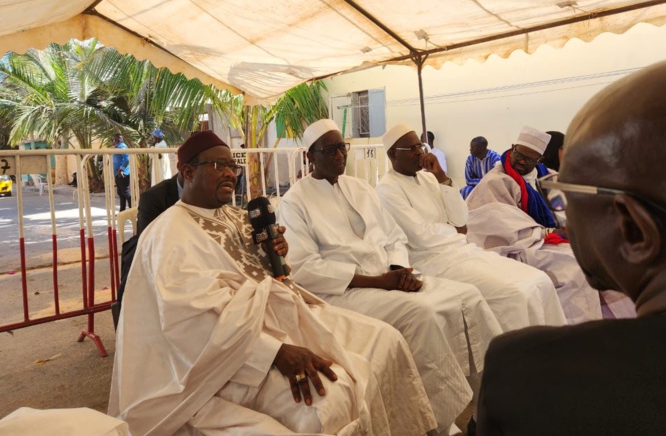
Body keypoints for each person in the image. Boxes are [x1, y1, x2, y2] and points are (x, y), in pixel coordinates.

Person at [109, 131, 435, 435]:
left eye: (231, 166)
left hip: (281, 314)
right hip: (227, 356)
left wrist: (276, 255)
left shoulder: (239, 216)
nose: (229, 173)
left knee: (386, 340)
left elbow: (270, 277)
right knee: (327, 401)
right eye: (217, 165)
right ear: (188, 172)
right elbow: (188, 321)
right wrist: (275, 351)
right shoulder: (168, 233)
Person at [476, 57, 666, 435]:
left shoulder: (525, 373)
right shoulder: (495, 181)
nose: (564, 210)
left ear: (634, 231)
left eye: (567, 196)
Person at [279, 119, 501, 435]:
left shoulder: (359, 187)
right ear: (309, 157)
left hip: (388, 278)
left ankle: (488, 406)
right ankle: (439, 423)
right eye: (330, 150)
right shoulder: (294, 202)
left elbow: (394, 237)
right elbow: (305, 269)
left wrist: (398, 269)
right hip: (344, 292)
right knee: (421, 315)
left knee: (468, 297)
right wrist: (378, 281)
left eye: (342, 147)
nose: (340, 155)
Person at [378, 123, 566, 334]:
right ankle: (518, 360)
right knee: (515, 293)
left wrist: (442, 179)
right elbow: (421, 236)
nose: (420, 153)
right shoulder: (388, 187)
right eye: (412, 149)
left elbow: (461, 220)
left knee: (539, 281)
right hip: (432, 259)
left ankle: (553, 351)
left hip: (463, 250)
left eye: (420, 146)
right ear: (393, 154)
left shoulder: (429, 178)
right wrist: (453, 231)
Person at [465, 126, 609, 324]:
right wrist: (550, 232)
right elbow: (500, 224)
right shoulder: (497, 181)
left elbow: (564, 209)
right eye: (519, 154)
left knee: (599, 254)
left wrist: (572, 227)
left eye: (529, 159)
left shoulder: (548, 176)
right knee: (574, 266)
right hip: (521, 245)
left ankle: (600, 323)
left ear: (539, 160)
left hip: (547, 239)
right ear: (513, 147)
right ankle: (571, 328)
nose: (521, 162)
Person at [112, 133, 130, 212]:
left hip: (122, 173)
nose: (113, 141)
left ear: (116, 139)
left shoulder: (122, 147)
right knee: (121, 193)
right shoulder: (117, 147)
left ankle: (133, 210)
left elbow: (127, 159)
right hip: (117, 173)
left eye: (114, 139)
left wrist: (121, 169)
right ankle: (122, 211)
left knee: (126, 193)